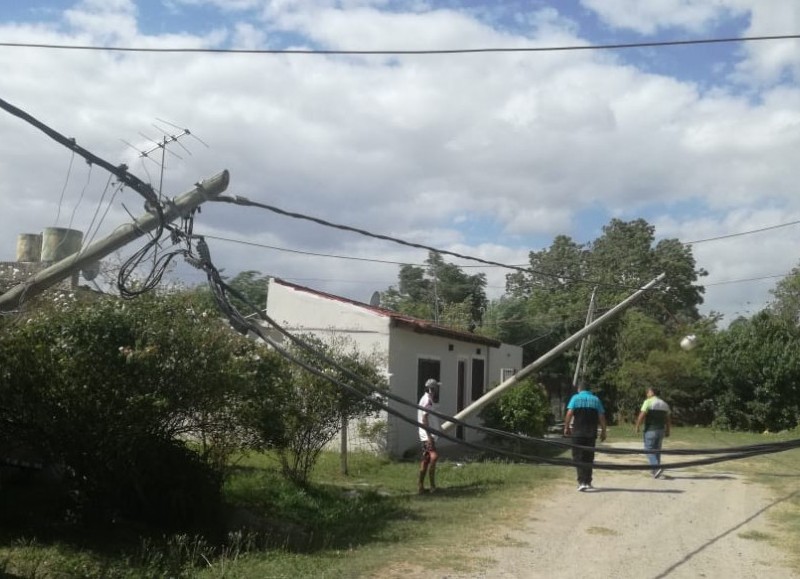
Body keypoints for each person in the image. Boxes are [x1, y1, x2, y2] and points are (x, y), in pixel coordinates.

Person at [564, 381, 607, 491]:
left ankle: (581, 481)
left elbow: (569, 413)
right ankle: (588, 481)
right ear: (589, 389)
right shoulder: (596, 399)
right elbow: (601, 416)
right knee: (589, 457)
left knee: (578, 457)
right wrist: (603, 431)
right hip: (591, 433)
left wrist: (566, 427)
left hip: (578, 432)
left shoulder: (575, 398)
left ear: (579, 389)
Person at [635, 387, 671, 478]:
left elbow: (642, 415)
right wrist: (668, 430)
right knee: (657, 450)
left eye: (647, 392)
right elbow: (668, 419)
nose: (646, 394)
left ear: (651, 392)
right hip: (661, 430)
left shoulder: (648, 402)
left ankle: (656, 467)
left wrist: (637, 426)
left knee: (648, 449)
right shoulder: (664, 404)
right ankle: (656, 471)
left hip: (651, 429)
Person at [418, 378, 441, 494]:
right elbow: (424, 418)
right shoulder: (427, 401)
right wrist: (429, 436)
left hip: (427, 435)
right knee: (434, 457)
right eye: (436, 388)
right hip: (428, 436)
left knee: (425, 460)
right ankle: (432, 486)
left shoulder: (426, 399)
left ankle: (421, 486)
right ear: (432, 389)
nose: (437, 390)